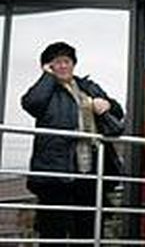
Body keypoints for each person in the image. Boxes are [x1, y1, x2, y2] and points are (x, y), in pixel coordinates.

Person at [21, 41, 125, 245]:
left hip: (89, 170)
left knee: (87, 229)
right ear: (48, 66)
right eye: (56, 62)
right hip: (55, 172)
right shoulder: (47, 89)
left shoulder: (88, 87)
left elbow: (117, 112)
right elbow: (32, 104)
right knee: (53, 230)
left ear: (73, 64)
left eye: (67, 61)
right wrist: (47, 77)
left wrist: (107, 104)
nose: (63, 66)